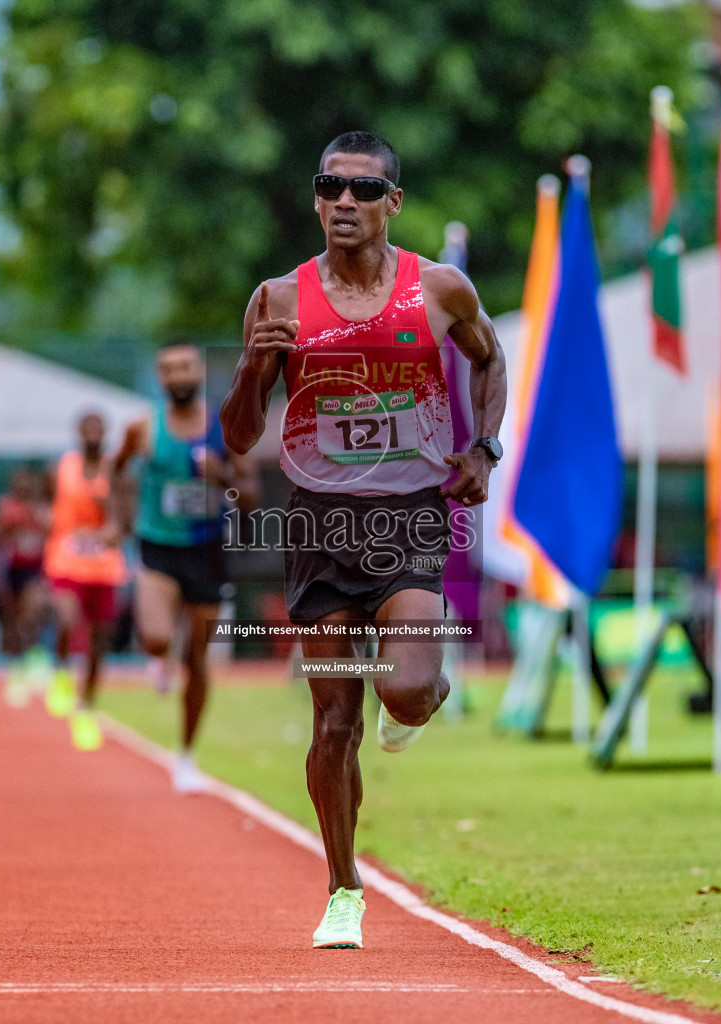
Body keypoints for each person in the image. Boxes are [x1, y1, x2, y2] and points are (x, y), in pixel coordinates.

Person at [219, 131, 506, 948]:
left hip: (408, 512)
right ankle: (344, 888)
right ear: (315, 200)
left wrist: (483, 446)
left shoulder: (439, 289)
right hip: (316, 520)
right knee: (333, 721)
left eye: (364, 189)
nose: (346, 201)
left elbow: (490, 361)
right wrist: (249, 372)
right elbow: (240, 438)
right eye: (330, 187)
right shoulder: (277, 299)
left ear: (393, 203)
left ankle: (420, 699)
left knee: (407, 688)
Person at [116, 339, 256, 793]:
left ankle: (187, 755)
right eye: (169, 369)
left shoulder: (225, 426)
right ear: (161, 379)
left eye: (185, 368)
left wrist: (225, 478)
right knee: (156, 637)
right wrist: (118, 521)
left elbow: (251, 500)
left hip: (208, 549)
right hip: (158, 544)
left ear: (200, 374)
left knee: (198, 657)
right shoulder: (142, 429)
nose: (178, 376)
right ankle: (160, 655)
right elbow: (117, 471)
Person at [43, 412, 129, 750]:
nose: (93, 433)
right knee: (67, 617)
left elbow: (125, 519)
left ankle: (87, 707)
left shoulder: (115, 471)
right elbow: (49, 504)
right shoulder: (61, 468)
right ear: (78, 432)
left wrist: (112, 525)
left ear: (105, 432)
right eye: (87, 427)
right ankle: (62, 673)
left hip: (103, 563)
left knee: (99, 641)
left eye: (98, 427)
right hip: (65, 557)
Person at [0, 468, 53, 659]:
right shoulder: (5, 508)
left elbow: (52, 535)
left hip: (33, 569)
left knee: (31, 614)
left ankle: (33, 653)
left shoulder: (41, 511)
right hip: (10, 569)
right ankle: (14, 659)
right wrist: (7, 527)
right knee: (11, 619)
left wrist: (37, 523)